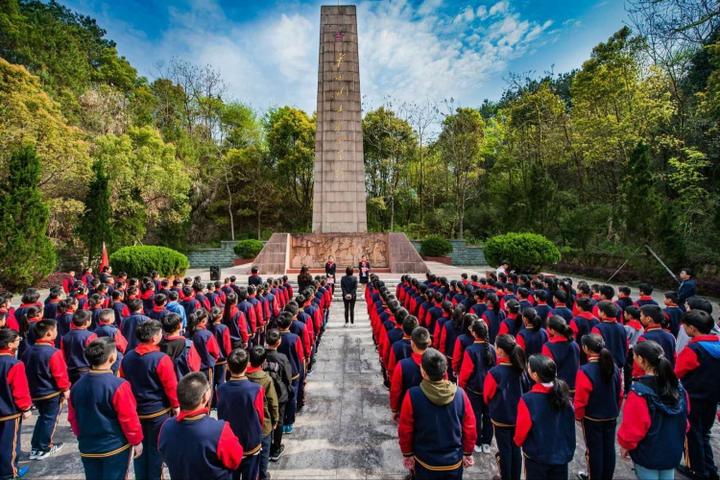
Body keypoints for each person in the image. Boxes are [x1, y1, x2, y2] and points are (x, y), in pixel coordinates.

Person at [68, 338, 143, 480]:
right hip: (114, 447)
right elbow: (129, 418)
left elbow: (73, 417)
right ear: (112, 357)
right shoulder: (119, 385)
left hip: (88, 446)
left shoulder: (77, 386)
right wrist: (136, 440)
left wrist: (82, 436)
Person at [398, 348, 477, 479]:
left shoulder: (412, 395)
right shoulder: (460, 394)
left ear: (422, 371)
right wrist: (467, 452)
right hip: (453, 461)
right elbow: (470, 427)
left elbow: (405, 429)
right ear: (445, 371)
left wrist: (407, 453)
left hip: (425, 461)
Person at [617, 340, 688, 480]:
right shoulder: (678, 387)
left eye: (635, 356)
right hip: (672, 447)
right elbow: (685, 418)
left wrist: (626, 445)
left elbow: (633, 427)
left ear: (642, 360)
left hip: (648, 451)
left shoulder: (639, 392)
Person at [119, 320, 179, 480]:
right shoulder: (161, 359)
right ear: (154, 338)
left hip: (136, 411)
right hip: (158, 412)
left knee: (140, 450)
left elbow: (123, 382)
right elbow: (171, 386)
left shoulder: (127, 357)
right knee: (155, 450)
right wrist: (176, 405)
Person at [158, 372, 243, 479]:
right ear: (205, 397)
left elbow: (163, 453)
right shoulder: (219, 430)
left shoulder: (166, 427)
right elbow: (235, 460)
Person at [514, 354, 576, 480]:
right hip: (561, 455)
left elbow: (522, 430)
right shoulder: (564, 396)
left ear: (535, 375)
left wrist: (518, 442)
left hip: (537, 457)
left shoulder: (528, 400)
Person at [675, 310, 720, 480]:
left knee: (691, 434)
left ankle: (696, 470)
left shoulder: (693, 349)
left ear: (692, 329)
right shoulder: (718, 344)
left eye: (685, 326)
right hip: (712, 398)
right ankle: (710, 469)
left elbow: (678, 372)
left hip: (692, 398)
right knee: (703, 433)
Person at [574, 334, 622, 480]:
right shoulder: (613, 366)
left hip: (592, 417)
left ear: (586, 349)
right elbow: (619, 393)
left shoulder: (585, 370)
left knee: (594, 451)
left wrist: (578, 415)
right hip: (611, 414)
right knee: (609, 449)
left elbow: (581, 399)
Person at [21, 319, 70, 461]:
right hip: (51, 392)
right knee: (50, 419)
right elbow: (60, 374)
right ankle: (43, 447)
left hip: (35, 392)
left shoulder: (27, 351)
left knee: (43, 418)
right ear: (49, 333)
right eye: (55, 330)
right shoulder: (53, 352)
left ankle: (36, 446)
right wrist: (65, 388)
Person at [217, 348, 264, 480]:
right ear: (247, 364)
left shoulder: (221, 389)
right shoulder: (256, 389)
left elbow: (221, 414)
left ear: (227, 366)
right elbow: (260, 416)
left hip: (230, 439)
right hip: (251, 440)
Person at [483, 334, 526, 480]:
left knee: (505, 451)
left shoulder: (495, 373)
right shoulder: (521, 369)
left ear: (500, 351)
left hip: (501, 417)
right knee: (516, 449)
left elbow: (487, 395)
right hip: (518, 416)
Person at [457, 319, 496, 454]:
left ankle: (477, 442)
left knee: (475, 415)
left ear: (474, 333)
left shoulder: (470, 350)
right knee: (488, 415)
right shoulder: (492, 349)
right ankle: (487, 442)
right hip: (490, 389)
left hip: (475, 389)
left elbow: (466, 372)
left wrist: (461, 386)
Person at [0, 328, 32, 479]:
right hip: (8, 412)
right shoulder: (14, 364)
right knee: (10, 445)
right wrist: (26, 408)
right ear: (10, 344)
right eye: (17, 340)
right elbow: (20, 390)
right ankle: (9, 473)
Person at [247, 346, 279, 480]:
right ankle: (263, 476)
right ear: (263, 362)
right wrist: (275, 419)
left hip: (247, 425)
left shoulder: (243, 376)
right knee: (264, 454)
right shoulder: (266, 379)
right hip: (264, 424)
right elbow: (273, 402)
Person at [390, 326, 431, 419]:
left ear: (412, 344)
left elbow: (395, 389)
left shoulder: (402, 365)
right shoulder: (438, 360)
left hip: (407, 407)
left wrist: (394, 408)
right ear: (428, 342)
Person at [264, 329, 293, 462]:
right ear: (278, 342)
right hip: (279, 394)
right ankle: (276, 448)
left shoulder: (261, 355)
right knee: (279, 420)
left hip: (264, 393)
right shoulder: (282, 358)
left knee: (266, 418)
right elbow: (288, 377)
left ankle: (267, 446)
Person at [542, 315, 580, 393]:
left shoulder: (548, 346)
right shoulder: (574, 344)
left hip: (559, 389)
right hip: (575, 386)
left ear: (552, 330)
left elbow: (547, 370)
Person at [61, 310, 97, 384]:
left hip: (70, 370)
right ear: (87, 322)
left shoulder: (65, 336)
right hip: (86, 370)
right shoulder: (90, 336)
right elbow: (95, 354)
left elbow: (63, 355)